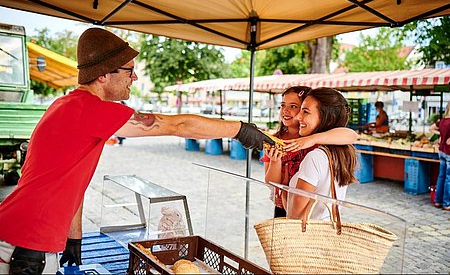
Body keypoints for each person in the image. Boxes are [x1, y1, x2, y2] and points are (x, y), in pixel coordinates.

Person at [0, 28, 274, 274]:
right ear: (104, 74)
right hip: (23, 244)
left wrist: (74, 237)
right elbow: (175, 125)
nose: (136, 76)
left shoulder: (69, 106)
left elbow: (72, 186)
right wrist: (239, 129)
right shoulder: (89, 109)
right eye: (129, 70)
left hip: (24, 237)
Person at [262, 86, 358, 217]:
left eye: (295, 107)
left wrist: (311, 140)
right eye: (283, 105)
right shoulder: (275, 140)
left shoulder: (317, 141)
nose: (286, 110)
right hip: (286, 203)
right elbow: (271, 183)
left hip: (303, 209)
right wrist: (275, 162)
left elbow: (351, 135)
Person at [429, 102, 450, 211]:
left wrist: (441, 134)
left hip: (441, 151)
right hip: (449, 152)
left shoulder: (441, 121)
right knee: (448, 178)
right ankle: (446, 203)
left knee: (441, 176)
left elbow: (431, 128)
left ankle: (437, 201)